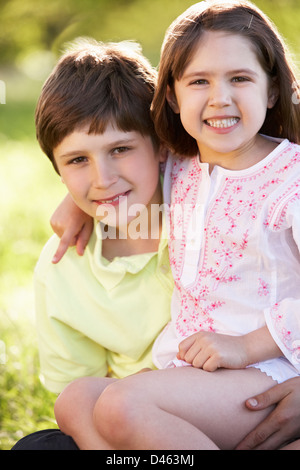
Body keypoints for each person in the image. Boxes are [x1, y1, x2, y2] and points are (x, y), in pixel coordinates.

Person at [51, 0, 300, 450]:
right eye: (199, 81)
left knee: (121, 406)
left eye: (239, 79)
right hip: (193, 375)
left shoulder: (291, 182)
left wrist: (247, 346)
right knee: (76, 399)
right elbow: (124, 174)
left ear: (272, 91)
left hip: (265, 371)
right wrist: (74, 200)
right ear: (171, 96)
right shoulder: (182, 167)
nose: (219, 97)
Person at [11, 39, 174, 450]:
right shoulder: (62, 266)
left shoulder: (210, 210)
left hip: (230, 407)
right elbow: (78, 401)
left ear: (162, 145)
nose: (102, 178)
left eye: (120, 149)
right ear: (58, 171)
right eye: (78, 160)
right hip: (137, 432)